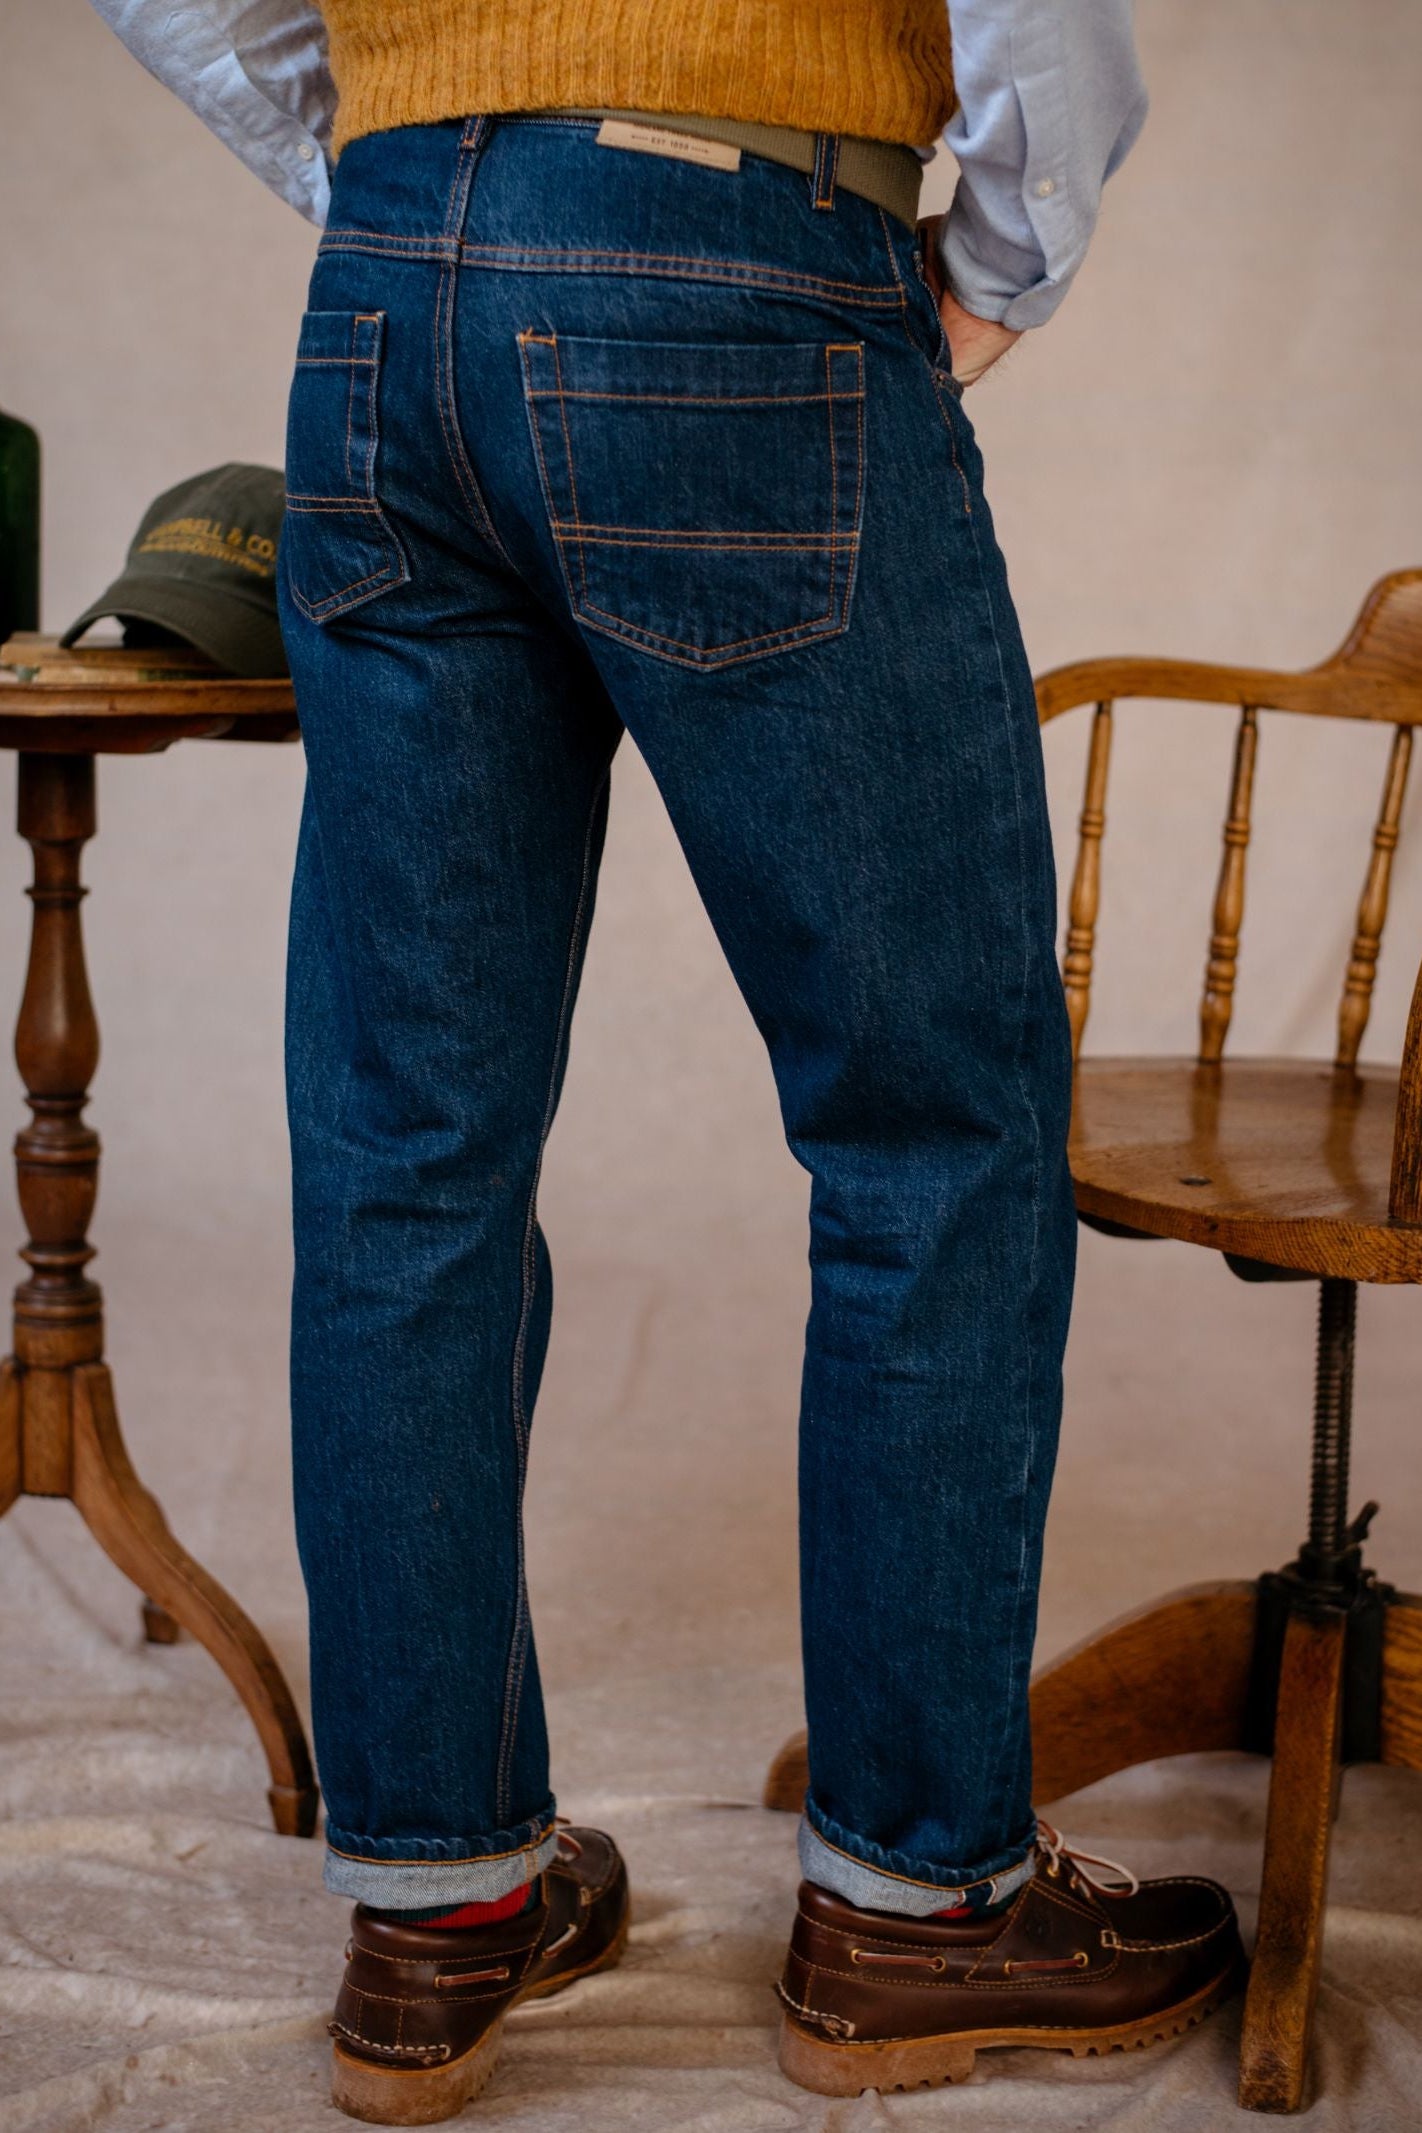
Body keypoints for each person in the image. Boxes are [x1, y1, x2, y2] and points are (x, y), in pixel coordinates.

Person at [90, 1, 1245, 2120]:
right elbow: (1043, 36)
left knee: (403, 1147)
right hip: (730, 248)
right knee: (930, 1127)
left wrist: (414, 165)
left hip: (385, 291)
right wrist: (995, 263)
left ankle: (435, 1909)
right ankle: (918, 1906)